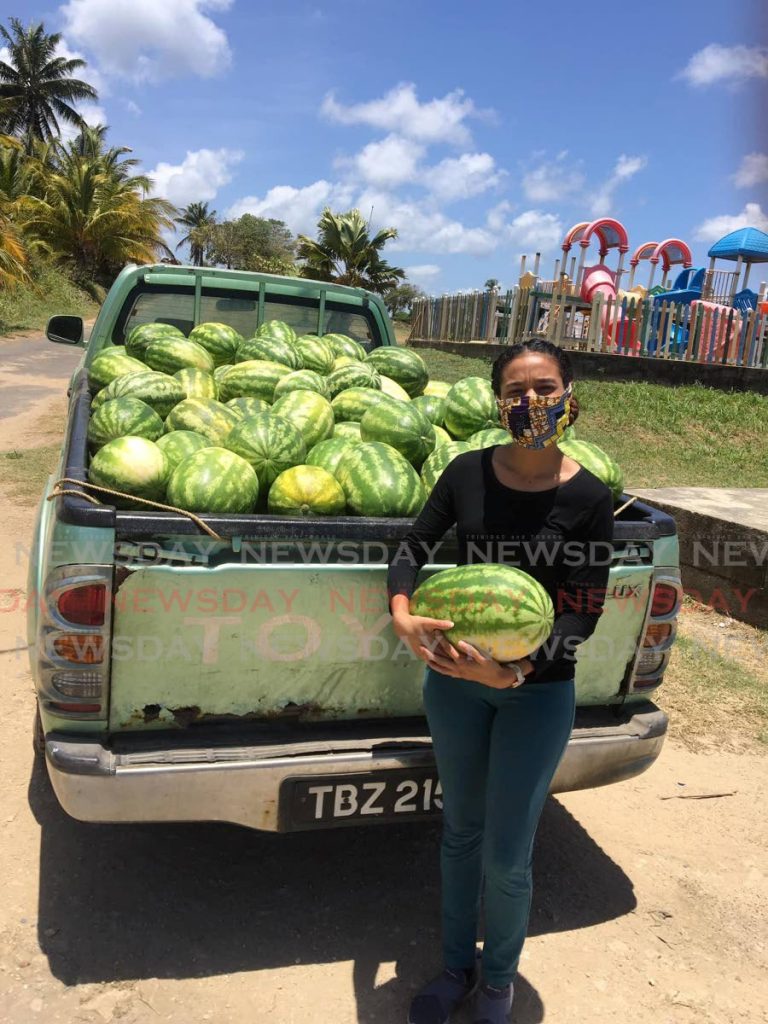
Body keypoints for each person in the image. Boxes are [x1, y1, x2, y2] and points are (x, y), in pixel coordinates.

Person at [387, 339, 615, 1024]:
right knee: (460, 832)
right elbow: (410, 550)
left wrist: (514, 670)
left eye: (544, 388)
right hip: (456, 683)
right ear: (497, 403)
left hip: (539, 693)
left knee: (508, 851)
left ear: (569, 397)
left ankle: (497, 982)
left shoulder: (588, 496)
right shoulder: (465, 474)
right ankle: (455, 967)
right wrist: (402, 615)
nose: (531, 403)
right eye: (516, 392)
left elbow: (583, 611)